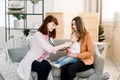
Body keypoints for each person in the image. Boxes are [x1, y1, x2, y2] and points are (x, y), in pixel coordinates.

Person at [17, 15, 72, 80]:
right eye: (53, 24)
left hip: (40, 59)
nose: (54, 27)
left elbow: (53, 48)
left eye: (55, 26)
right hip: (32, 59)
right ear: (47, 22)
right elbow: (50, 49)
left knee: (48, 66)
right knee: (42, 67)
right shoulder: (38, 35)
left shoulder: (49, 36)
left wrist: (65, 47)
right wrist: (64, 45)